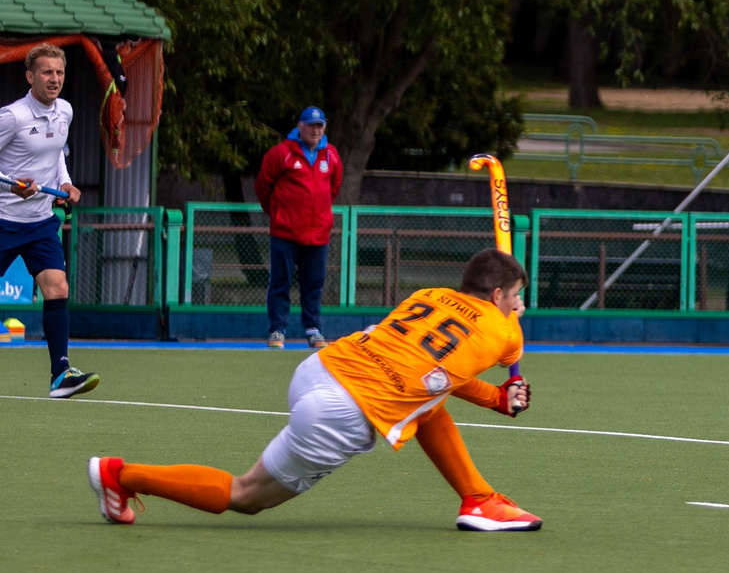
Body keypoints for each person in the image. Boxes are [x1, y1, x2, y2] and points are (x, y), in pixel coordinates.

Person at [88, 247, 543, 531]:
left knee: (428, 402)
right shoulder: (503, 330)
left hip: (320, 368)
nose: (520, 304)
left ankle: (478, 499)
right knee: (246, 496)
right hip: (341, 410)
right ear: (499, 294)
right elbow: (508, 348)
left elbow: (436, 373)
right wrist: (508, 385)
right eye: (517, 295)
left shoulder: (424, 295)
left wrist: (495, 399)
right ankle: (120, 476)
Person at [0, 43, 98, 398]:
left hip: (41, 220)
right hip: (4, 219)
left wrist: (65, 183)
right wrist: (13, 185)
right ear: (30, 76)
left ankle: (60, 375)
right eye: (46, 72)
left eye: (59, 72)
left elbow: (56, 157)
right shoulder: (12, 117)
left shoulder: (65, 112)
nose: (54, 79)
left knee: (57, 287)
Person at [255, 106, 343, 347]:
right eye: (311, 125)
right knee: (280, 281)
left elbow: (333, 188)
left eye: (319, 126)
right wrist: (275, 212)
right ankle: (277, 330)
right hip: (285, 232)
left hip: (318, 234)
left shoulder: (331, 155)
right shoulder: (281, 153)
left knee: (314, 283)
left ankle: (314, 329)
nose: (315, 130)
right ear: (300, 126)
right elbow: (263, 185)